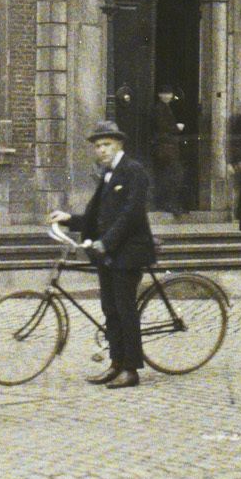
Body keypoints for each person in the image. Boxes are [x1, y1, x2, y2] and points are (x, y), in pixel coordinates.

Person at [53, 118, 156, 389]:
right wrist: (68, 219)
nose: (101, 150)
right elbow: (96, 215)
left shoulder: (134, 171)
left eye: (106, 144)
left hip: (129, 251)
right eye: (98, 146)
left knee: (125, 309)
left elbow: (130, 214)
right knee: (109, 309)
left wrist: (106, 242)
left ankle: (131, 369)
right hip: (108, 252)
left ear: (119, 144)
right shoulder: (107, 175)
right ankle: (115, 363)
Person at [151, 92, 185, 219]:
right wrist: (176, 128)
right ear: (160, 95)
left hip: (167, 146)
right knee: (174, 174)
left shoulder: (165, 107)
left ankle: (168, 203)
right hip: (164, 146)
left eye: (170, 94)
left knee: (170, 174)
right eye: (166, 94)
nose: (169, 96)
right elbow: (162, 127)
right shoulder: (159, 109)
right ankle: (169, 203)